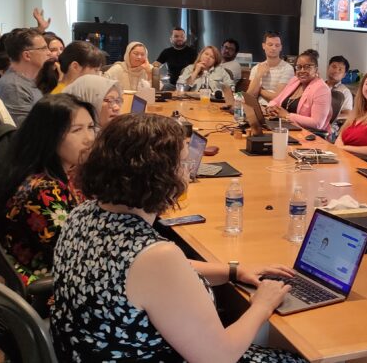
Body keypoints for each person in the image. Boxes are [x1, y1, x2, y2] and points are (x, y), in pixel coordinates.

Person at [52, 114, 306, 362]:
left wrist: (234, 271)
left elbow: (161, 276)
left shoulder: (83, 214)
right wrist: (262, 305)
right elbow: (219, 357)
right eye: (183, 164)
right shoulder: (155, 256)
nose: (188, 171)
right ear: (158, 176)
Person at [0, 94, 97, 284]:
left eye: (90, 127)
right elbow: (76, 255)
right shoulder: (43, 191)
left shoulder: (54, 171)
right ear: (49, 136)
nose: (89, 139)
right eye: (77, 130)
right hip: (55, 285)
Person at [0, 28, 50, 125]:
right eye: (44, 48)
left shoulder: (24, 81)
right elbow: (26, 132)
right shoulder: (14, 87)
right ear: (27, 55)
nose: (49, 53)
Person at [267, 50, 332, 131]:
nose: (302, 71)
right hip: (285, 128)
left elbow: (317, 123)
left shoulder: (321, 89)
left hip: (308, 135)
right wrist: (271, 107)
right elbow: (277, 100)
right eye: (298, 67)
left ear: (316, 69)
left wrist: (287, 116)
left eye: (307, 67)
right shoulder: (295, 80)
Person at [247, 31, 294, 105]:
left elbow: (277, 97)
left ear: (281, 47)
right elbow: (249, 97)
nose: (274, 48)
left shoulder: (287, 68)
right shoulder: (256, 68)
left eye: (277, 45)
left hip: (275, 110)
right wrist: (258, 75)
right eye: (270, 44)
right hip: (257, 108)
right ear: (263, 46)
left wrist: (259, 89)